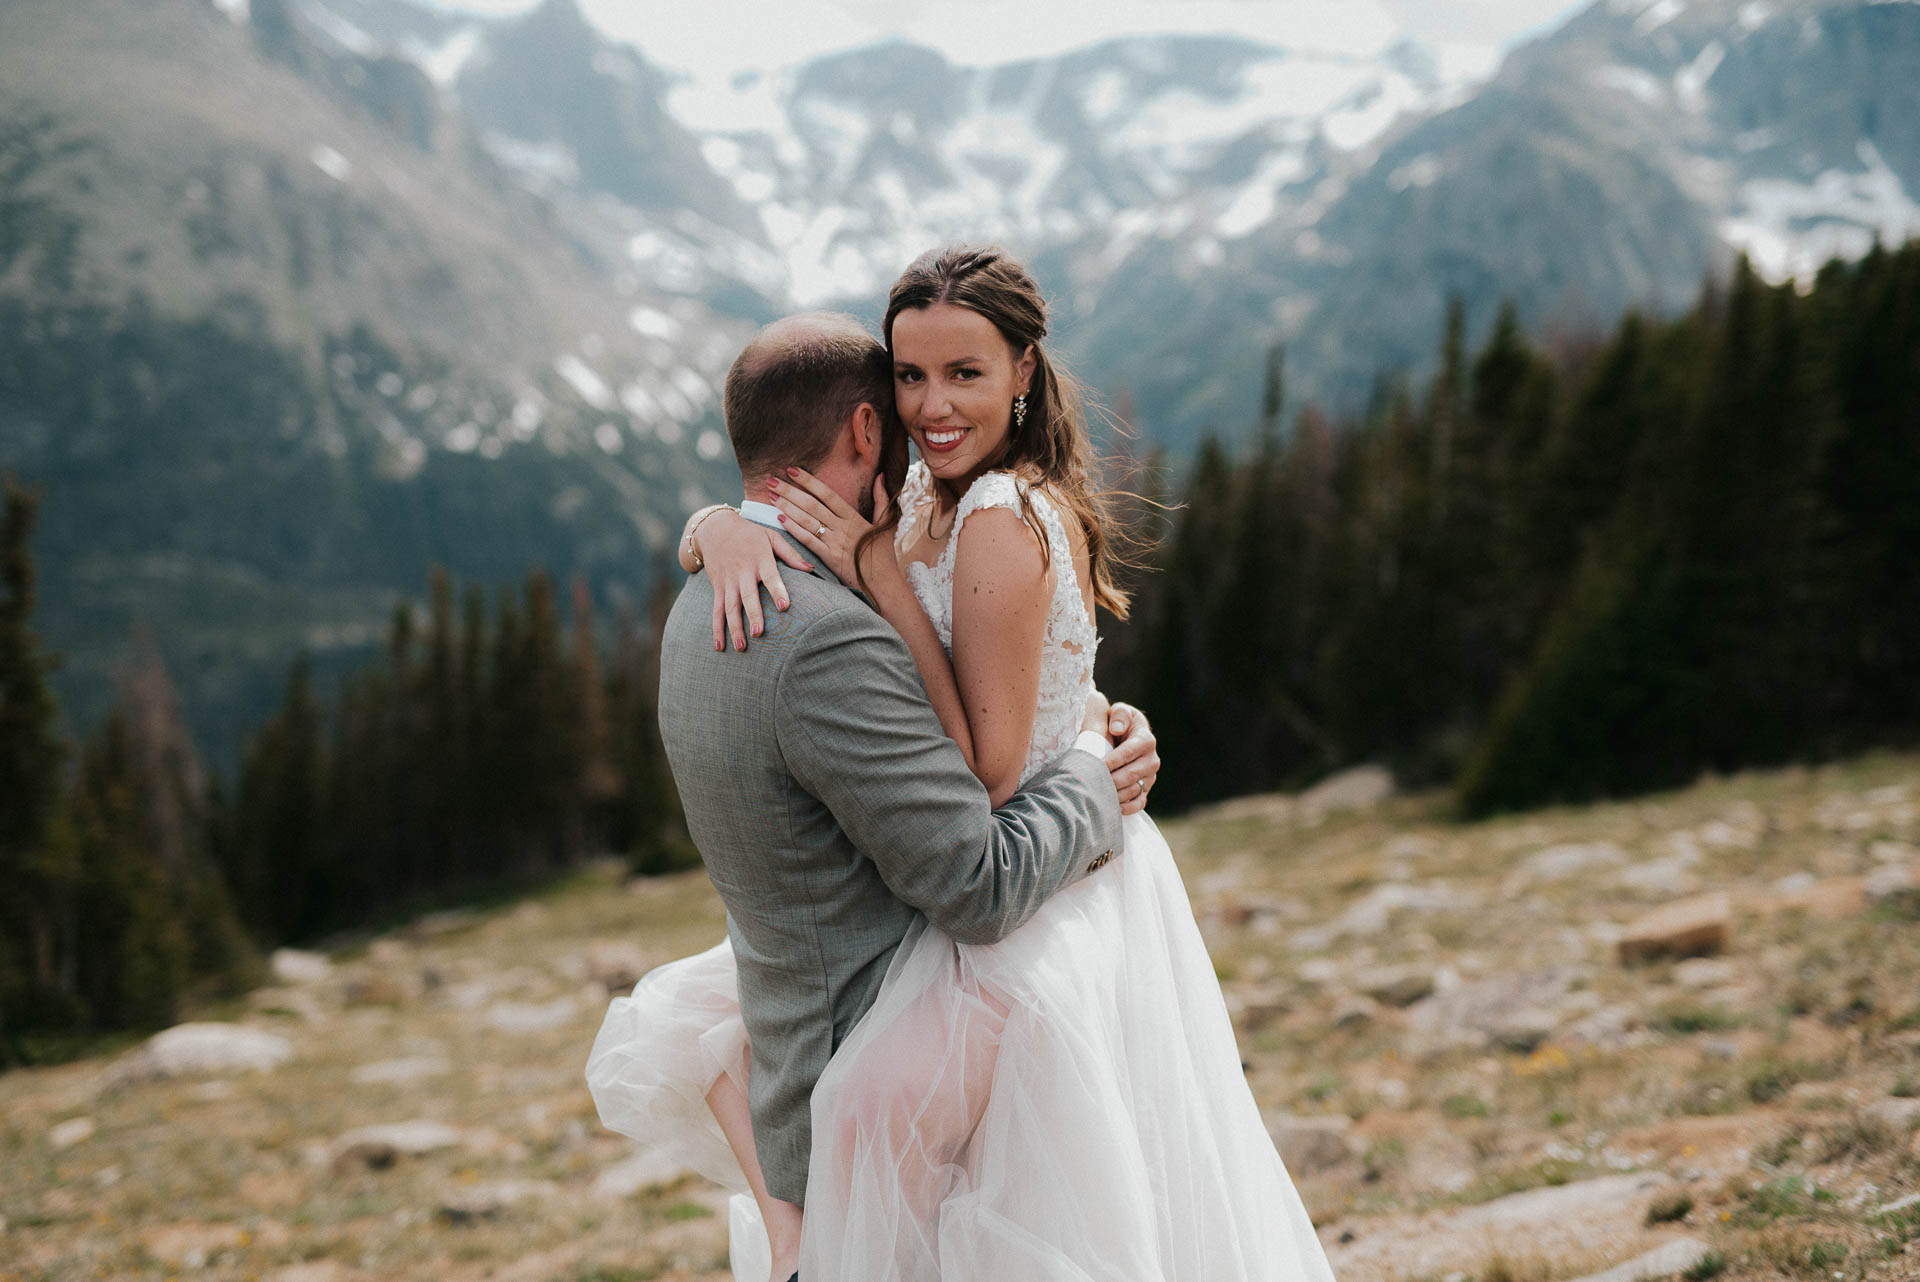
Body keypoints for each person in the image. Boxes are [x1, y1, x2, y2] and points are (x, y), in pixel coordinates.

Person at [599, 244, 1338, 1281]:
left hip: (1039, 875)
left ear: (1025, 371)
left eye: (965, 374)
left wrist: (1083, 750)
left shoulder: (994, 513)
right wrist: (718, 526)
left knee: (1051, 1210)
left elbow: (987, 782)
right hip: (978, 867)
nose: (932, 406)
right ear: (874, 409)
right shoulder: (908, 504)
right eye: (909, 377)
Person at [585, 308, 1156, 1282]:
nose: (921, 423)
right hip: (878, 1074)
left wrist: (714, 525)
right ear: (862, 431)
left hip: (807, 1037)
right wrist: (1091, 782)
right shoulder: (818, 635)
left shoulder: (702, 601)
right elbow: (974, 888)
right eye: (897, 404)